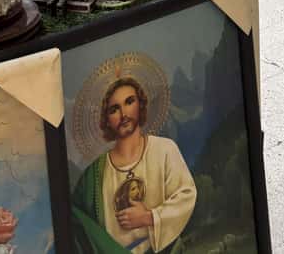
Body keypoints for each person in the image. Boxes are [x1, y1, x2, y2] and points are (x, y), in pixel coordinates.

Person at [72, 76, 196, 254]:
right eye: (114, 109)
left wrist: (148, 217)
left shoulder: (164, 150)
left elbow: (186, 195)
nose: (123, 114)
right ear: (106, 120)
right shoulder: (94, 174)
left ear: (141, 105)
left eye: (129, 102)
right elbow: (77, 221)